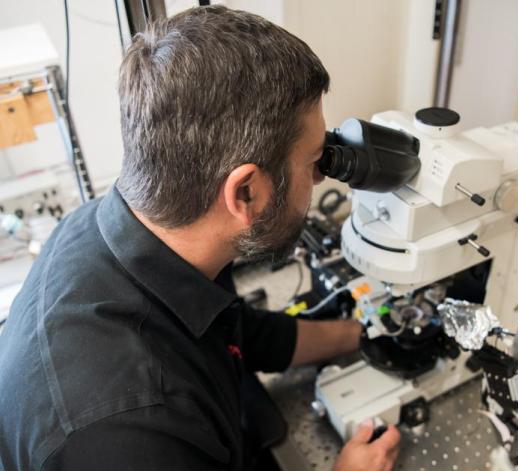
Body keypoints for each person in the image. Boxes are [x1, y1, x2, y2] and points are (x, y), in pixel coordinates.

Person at [0, 5, 400, 471]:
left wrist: (364, 334)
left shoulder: (124, 229)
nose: (323, 177)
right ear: (245, 193)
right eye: (314, 161)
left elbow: (233, 332)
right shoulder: (131, 433)